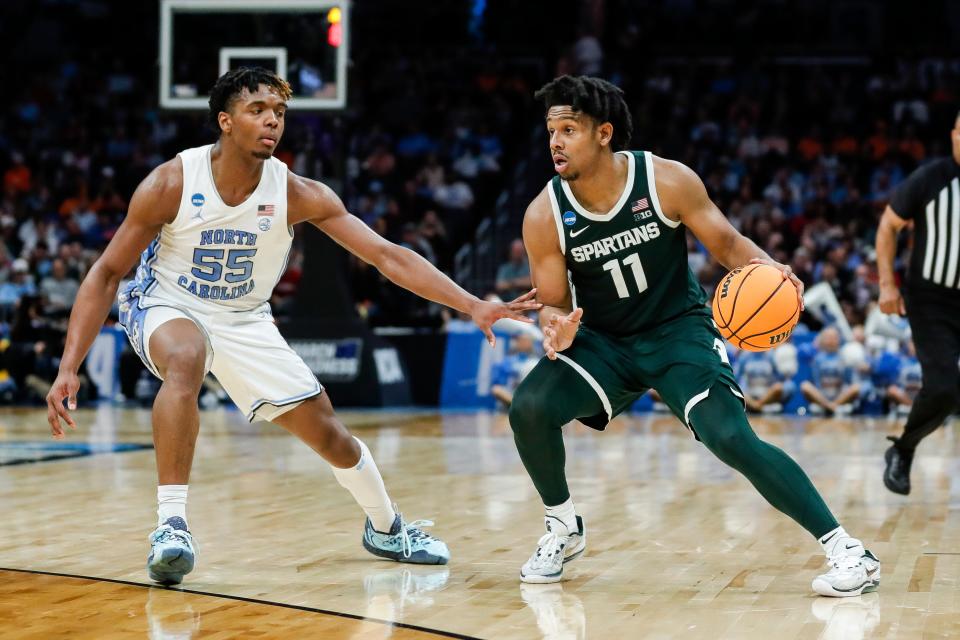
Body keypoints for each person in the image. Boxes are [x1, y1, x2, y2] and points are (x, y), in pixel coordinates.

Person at [45, 68, 539, 586]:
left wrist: (471, 304)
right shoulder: (172, 182)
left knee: (331, 436)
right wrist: (67, 367)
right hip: (165, 301)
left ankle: (387, 527)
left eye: (279, 112)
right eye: (257, 109)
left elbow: (387, 256)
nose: (272, 121)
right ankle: (172, 525)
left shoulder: (298, 192)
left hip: (245, 317)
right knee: (186, 357)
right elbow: (104, 272)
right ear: (226, 121)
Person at [510, 75, 879, 597]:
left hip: (676, 331)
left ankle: (849, 551)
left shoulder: (665, 180)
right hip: (605, 342)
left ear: (604, 134)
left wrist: (771, 267)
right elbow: (552, 300)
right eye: (551, 131)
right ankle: (562, 527)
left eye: (569, 129)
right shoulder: (544, 214)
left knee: (729, 437)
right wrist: (556, 327)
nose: (555, 142)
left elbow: (726, 243)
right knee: (528, 407)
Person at [876, 111, 960, 495]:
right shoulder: (931, 178)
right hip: (932, 300)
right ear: (954, 134)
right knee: (943, 389)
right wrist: (886, 285)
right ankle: (903, 450)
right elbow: (888, 226)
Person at [799, 326, 864, 416]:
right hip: (822, 396)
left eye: (833, 338)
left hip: (840, 396)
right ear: (822, 340)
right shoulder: (816, 359)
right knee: (805, 386)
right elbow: (815, 382)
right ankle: (829, 406)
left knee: (857, 387)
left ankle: (832, 406)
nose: (831, 341)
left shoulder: (845, 357)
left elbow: (850, 382)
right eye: (828, 338)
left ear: (839, 339)